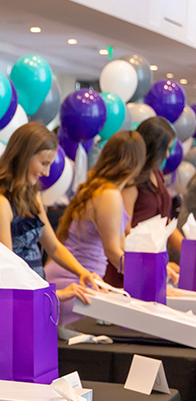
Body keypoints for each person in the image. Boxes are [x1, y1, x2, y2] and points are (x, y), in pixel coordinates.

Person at [0, 121, 101, 304]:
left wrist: (83, 272)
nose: (47, 172)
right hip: (13, 302)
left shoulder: (32, 197)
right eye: (43, 163)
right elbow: (8, 271)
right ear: (23, 156)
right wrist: (56, 295)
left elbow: (54, 247)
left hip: (36, 295)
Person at [45, 130, 146, 324]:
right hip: (74, 283)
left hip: (75, 279)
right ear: (136, 164)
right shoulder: (109, 194)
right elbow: (113, 252)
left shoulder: (103, 189)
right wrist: (149, 280)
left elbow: (123, 247)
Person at [105, 116, 181, 286]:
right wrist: (149, 262)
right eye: (166, 149)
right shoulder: (133, 180)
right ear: (155, 148)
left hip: (152, 261)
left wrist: (187, 248)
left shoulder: (158, 174)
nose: (168, 155)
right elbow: (124, 229)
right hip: (131, 262)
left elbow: (164, 221)